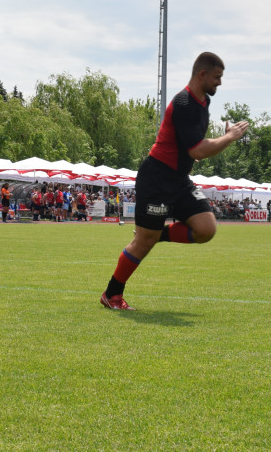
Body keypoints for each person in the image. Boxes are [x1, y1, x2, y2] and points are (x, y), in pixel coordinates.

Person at [99, 52, 248, 310]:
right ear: (202, 74)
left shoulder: (202, 104)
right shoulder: (184, 103)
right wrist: (230, 137)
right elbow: (197, 151)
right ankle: (112, 294)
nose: (219, 83)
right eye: (217, 77)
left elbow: (194, 149)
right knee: (143, 242)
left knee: (206, 229)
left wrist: (222, 138)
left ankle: (157, 235)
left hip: (179, 179)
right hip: (157, 178)